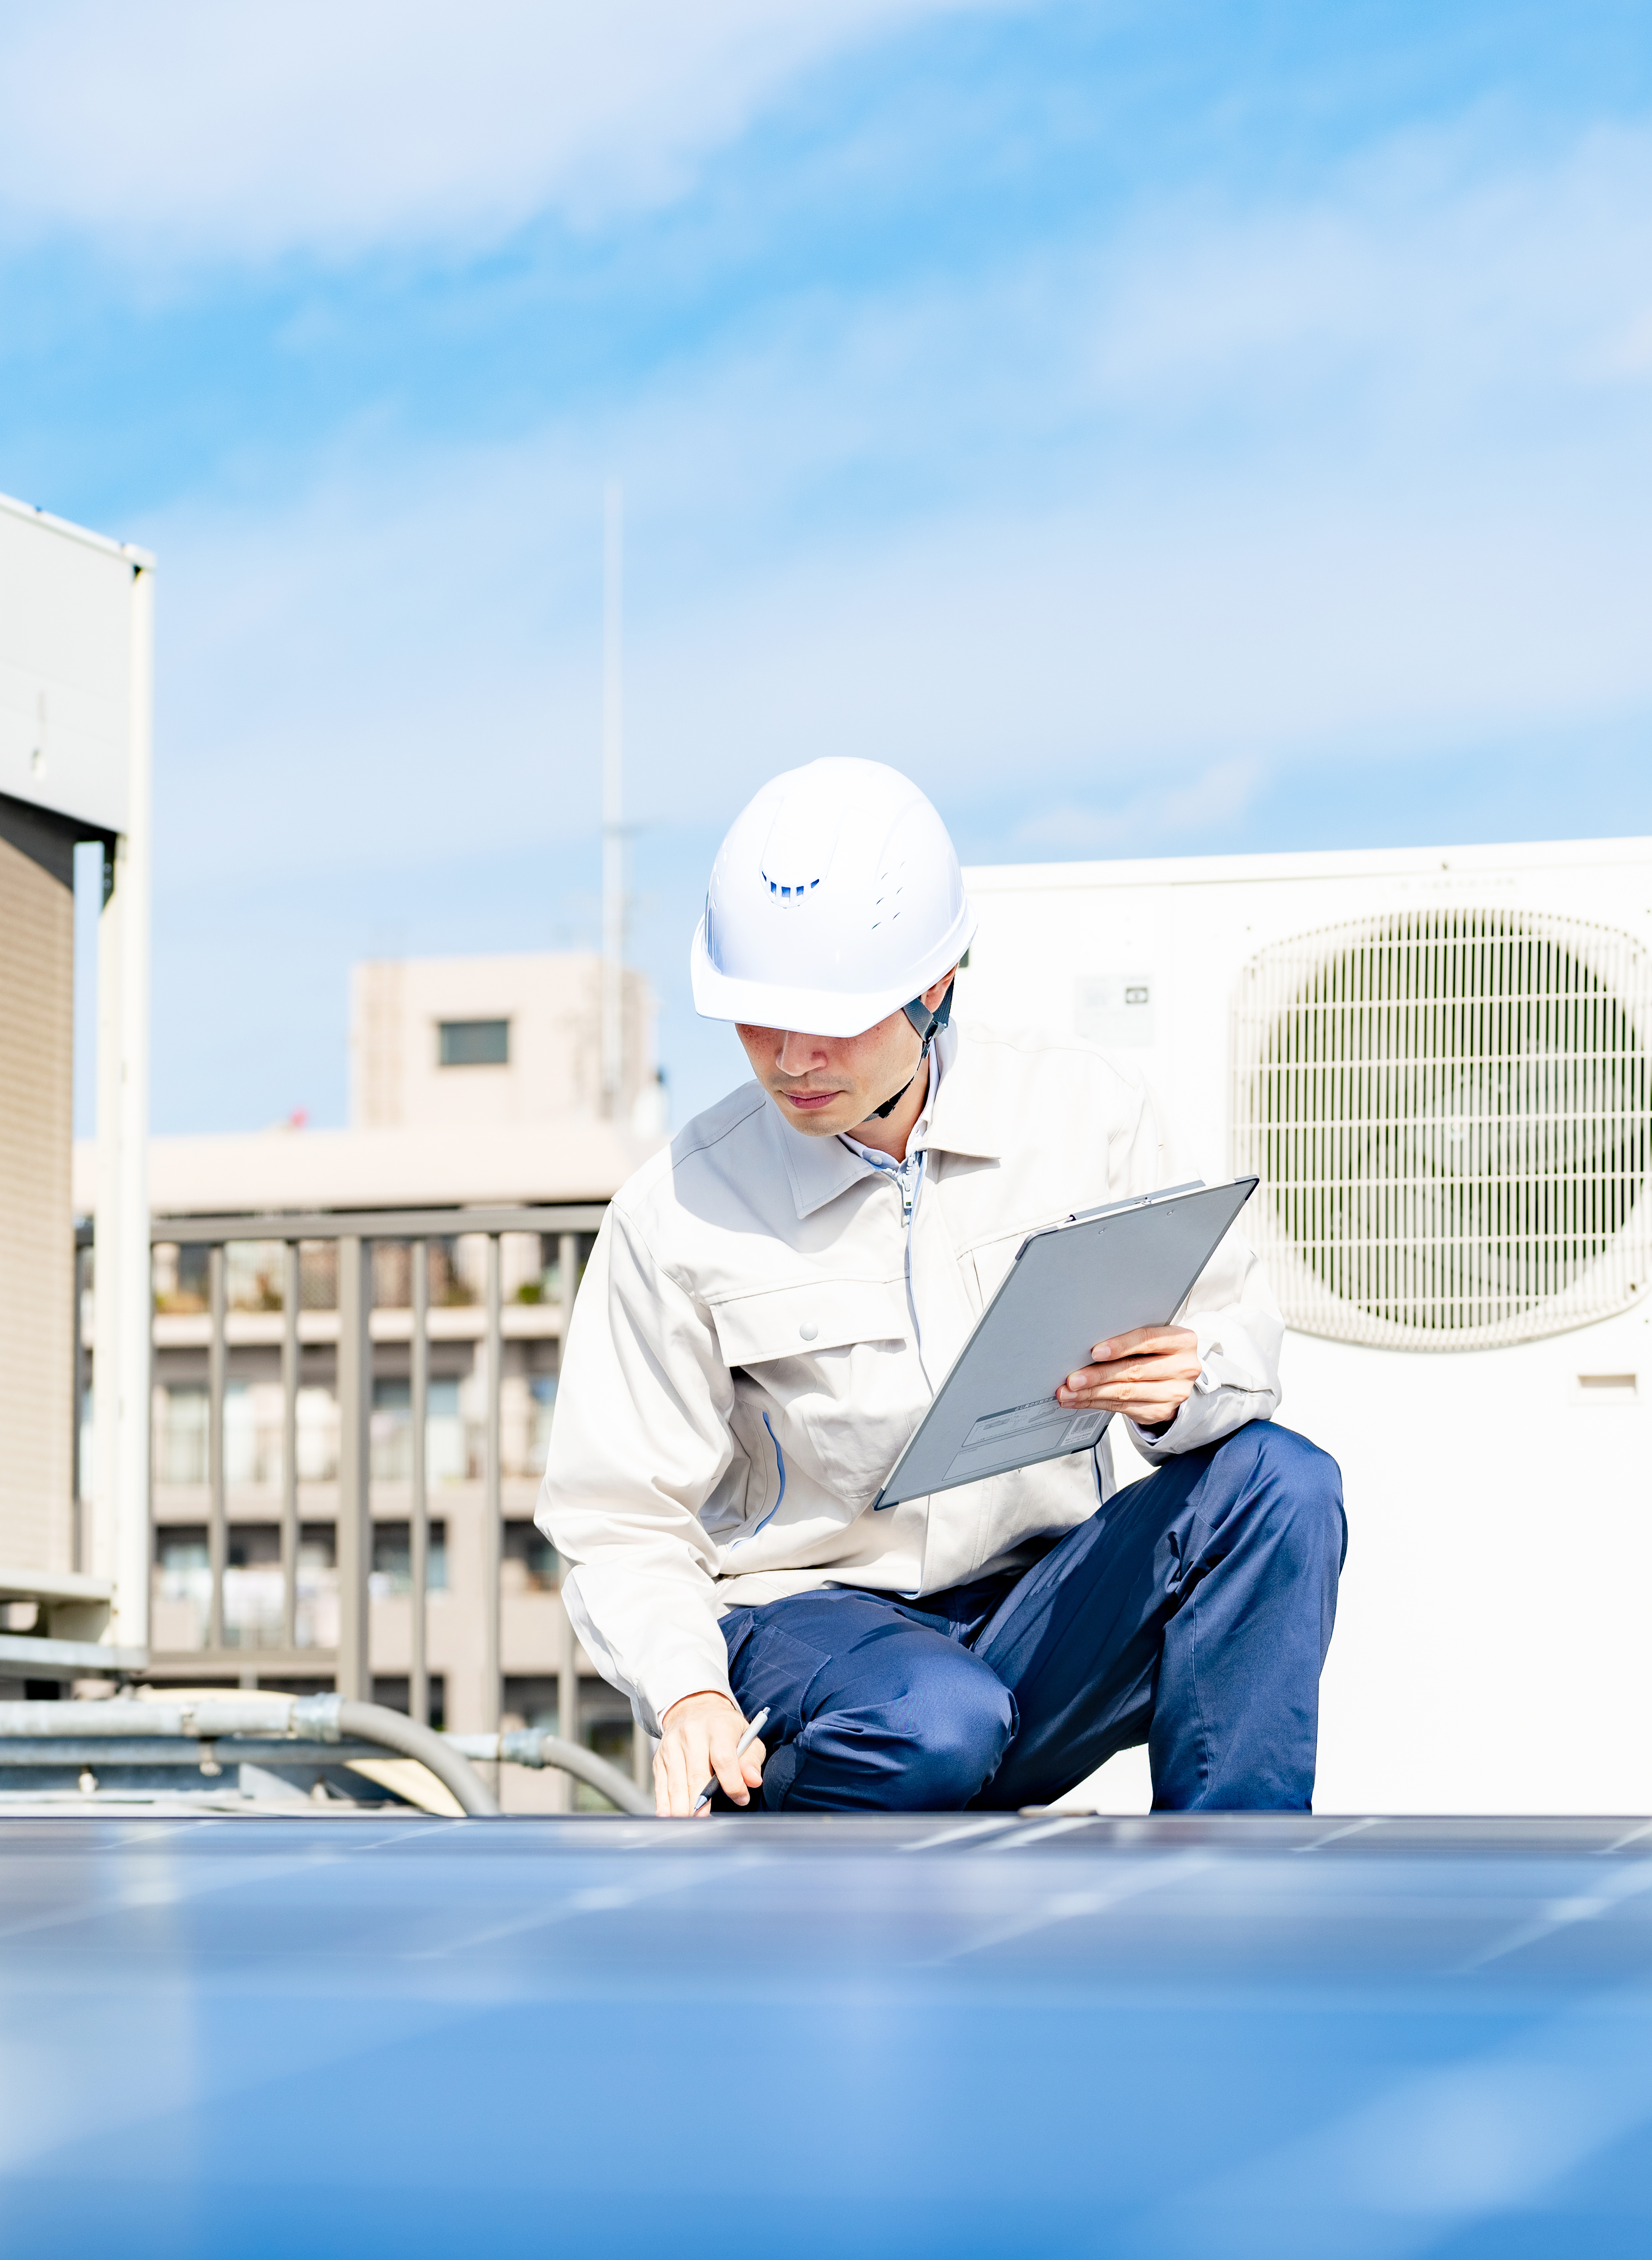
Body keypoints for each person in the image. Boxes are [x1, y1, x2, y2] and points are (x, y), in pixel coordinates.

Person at [535, 757, 1346, 1819]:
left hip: (1036, 1618)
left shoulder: (1084, 1116)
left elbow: (1239, 1340)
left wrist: (1188, 1385)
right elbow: (618, 1519)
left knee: (1282, 1486)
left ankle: (1231, 1897)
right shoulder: (678, 1209)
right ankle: (786, 1823)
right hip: (814, 1631)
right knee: (933, 1721)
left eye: (829, 1018)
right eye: (753, 1017)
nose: (789, 1058)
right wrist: (686, 1689)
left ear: (937, 986)